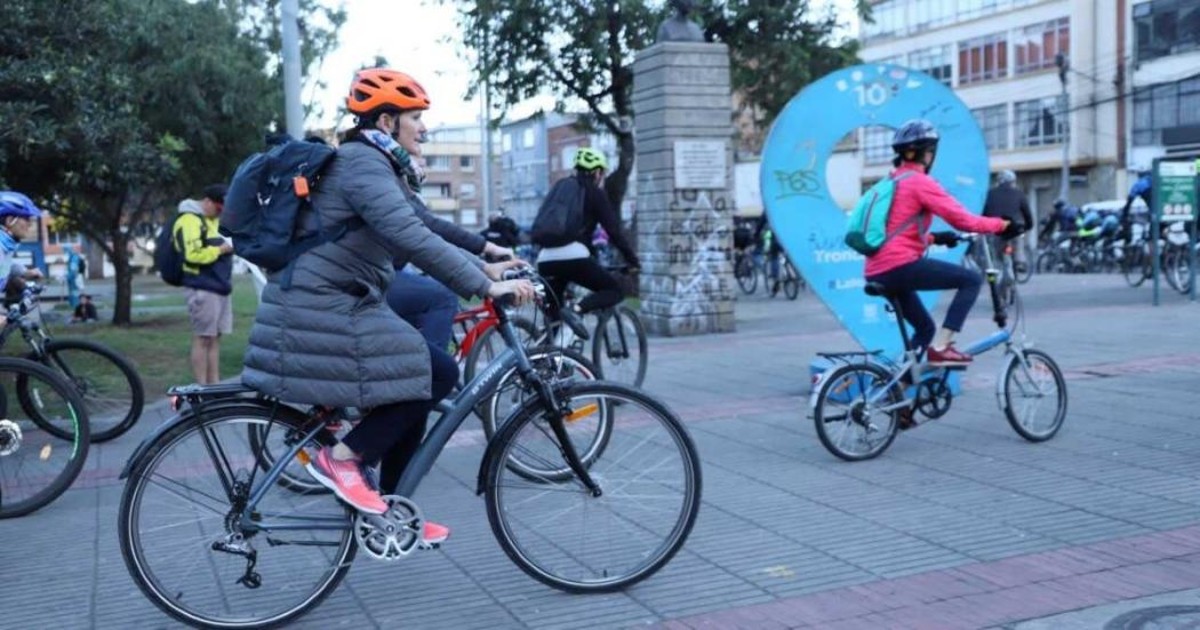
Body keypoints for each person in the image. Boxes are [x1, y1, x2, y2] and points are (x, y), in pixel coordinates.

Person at [242, 68, 534, 544]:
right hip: (323, 305)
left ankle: (392, 511)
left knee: (422, 374)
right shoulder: (361, 163)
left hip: (337, 301)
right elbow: (408, 235)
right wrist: (483, 285)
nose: (423, 127)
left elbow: (419, 223)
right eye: (415, 118)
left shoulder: (376, 166)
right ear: (385, 121)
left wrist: (488, 262)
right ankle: (342, 460)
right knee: (432, 370)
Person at [862, 120, 1014, 368]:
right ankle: (943, 347)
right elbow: (964, 220)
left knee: (924, 328)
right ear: (927, 153)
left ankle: (900, 385)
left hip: (876, 269)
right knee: (971, 279)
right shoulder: (919, 182)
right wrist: (1003, 225)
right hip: (898, 267)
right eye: (931, 152)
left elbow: (893, 232)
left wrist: (936, 238)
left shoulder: (891, 181)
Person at [536, 147, 640, 324]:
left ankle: (546, 348)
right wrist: (632, 260)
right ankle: (577, 310)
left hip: (545, 258)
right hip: (574, 257)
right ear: (597, 172)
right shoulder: (594, 193)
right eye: (603, 173)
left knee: (554, 318)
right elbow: (613, 231)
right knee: (614, 290)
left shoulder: (560, 188)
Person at [176, 185, 234, 385]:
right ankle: (201, 387)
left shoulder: (213, 221)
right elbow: (191, 254)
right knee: (203, 338)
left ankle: (214, 385)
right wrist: (221, 250)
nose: (219, 213)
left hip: (220, 286)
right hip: (202, 287)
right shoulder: (189, 220)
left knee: (215, 337)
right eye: (218, 209)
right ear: (207, 201)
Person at [0, 192, 46, 323]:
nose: (30, 224)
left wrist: (25, 272)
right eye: (26, 219)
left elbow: (4, 265)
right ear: (10, 221)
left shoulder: (5, 246)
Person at [982, 170, 1033, 271]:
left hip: (996, 227)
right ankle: (1019, 261)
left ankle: (996, 264)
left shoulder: (990, 194)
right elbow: (1027, 213)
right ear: (1012, 182)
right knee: (1018, 241)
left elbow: (984, 212)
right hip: (1013, 227)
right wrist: (1029, 226)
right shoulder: (1019, 193)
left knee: (996, 251)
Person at [752, 214, 785, 294]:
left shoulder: (769, 210)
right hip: (788, 235)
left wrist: (756, 234)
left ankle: (776, 278)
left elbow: (760, 225)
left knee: (774, 256)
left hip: (776, 236)